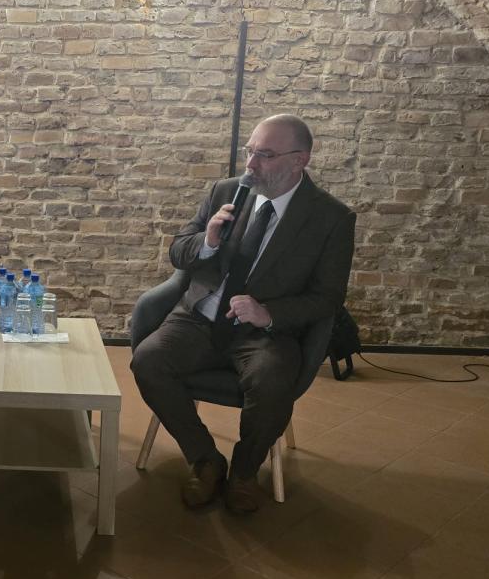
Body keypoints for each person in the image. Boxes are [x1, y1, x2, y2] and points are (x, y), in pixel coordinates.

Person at [131, 114, 355, 513]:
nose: (250, 165)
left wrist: (267, 313)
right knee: (148, 361)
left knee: (272, 380)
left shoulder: (331, 218)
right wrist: (208, 241)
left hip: (265, 333)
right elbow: (178, 251)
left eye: (265, 155)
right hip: (200, 318)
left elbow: (327, 298)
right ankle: (205, 460)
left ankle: (245, 472)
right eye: (249, 151)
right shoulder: (227, 191)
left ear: (299, 160)